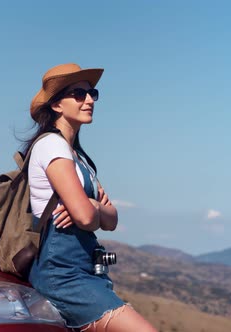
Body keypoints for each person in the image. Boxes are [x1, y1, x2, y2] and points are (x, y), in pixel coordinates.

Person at [25, 63, 157, 332]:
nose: (88, 100)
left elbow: (111, 219)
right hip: (63, 274)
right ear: (56, 105)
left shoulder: (79, 158)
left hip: (84, 271)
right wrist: (92, 210)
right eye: (78, 94)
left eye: (91, 93)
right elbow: (86, 217)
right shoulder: (51, 146)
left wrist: (93, 206)